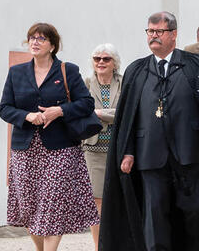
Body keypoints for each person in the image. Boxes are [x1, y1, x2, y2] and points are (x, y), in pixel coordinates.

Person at [100, 12, 199, 251]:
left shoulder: (195, 65)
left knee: (197, 212)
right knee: (154, 218)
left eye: (159, 31)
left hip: (190, 155)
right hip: (150, 157)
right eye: (150, 31)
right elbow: (128, 118)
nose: (153, 36)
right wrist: (127, 151)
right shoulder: (137, 71)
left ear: (174, 34)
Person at [0, 23, 99, 251]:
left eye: (41, 39)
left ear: (52, 45)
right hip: (25, 149)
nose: (35, 42)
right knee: (29, 207)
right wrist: (27, 116)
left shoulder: (67, 70)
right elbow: (4, 108)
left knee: (52, 204)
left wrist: (60, 110)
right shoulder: (16, 72)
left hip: (60, 147)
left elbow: (86, 103)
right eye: (32, 38)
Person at [83, 44, 122, 246]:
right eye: (97, 58)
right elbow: (82, 111)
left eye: (106, 59)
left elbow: (125, 112)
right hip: (93, 151)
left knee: (119, 200)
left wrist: (98, 113)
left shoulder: (125, 82)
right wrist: (110, 114)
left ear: (114, 63)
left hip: (120, 150)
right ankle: (100, 246)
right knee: (97, 201)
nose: (101, 63)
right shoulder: (86, 83)